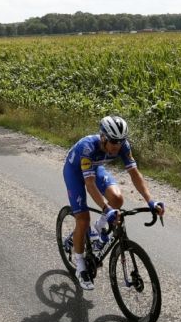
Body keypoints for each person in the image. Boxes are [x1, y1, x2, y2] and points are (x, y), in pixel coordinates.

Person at [62, 115, 164, 290]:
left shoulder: (123, 146)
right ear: (103, 137)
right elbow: (90, 184)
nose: (117, 146)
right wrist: (106, 209)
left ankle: (98, 227)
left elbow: (135, 174)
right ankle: (80, 266)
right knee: (83, 219)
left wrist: (151, 201)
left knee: (117, 199)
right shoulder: (87, 147)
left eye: (121, 141)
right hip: (74, 172)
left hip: (95, 168)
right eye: (114, 141)